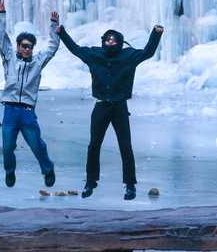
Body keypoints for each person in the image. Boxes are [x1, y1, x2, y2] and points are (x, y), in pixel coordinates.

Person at [56, 24, 164, 200]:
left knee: (125, 146)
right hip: (101, 106)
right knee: (93, 145)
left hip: (119, 107)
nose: (110, 42)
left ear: (120, 43)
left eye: (114, 40)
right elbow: (75, 49)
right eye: (108, 39)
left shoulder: (128, 56)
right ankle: (90, 182)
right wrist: (61, 33)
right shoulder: (94, 54)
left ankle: (130, 185)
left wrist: (156, 34)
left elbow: (148, 53)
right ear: (103, 41)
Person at [0, 0, 60, 188]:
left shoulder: (38, 62)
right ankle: (10, 171)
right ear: (18, 46)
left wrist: (54, 25)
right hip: (10, 109)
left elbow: (53, 48)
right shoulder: (9, 58)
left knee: (36, 144)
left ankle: (48, 169)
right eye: (23, 45)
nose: (26, 49)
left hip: (27, 110)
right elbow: (1, 37)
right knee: (8, 146)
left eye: (30, 46)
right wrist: (1, 15)